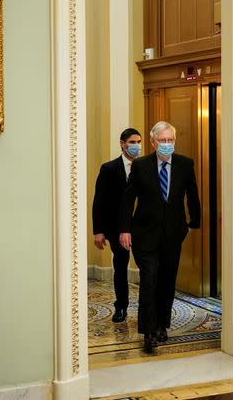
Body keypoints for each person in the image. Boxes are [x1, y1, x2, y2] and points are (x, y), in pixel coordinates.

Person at [119, 121, 200, 354]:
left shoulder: (185, 164)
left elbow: (192, 196)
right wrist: (124, 229)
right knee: (149, 281)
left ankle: (162, 325)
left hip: (172, 235)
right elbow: (127, 199)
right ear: (153, 142)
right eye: (162, 141)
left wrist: (194, 223)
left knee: (166, 282)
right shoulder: (141, 165)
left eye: (170, 140)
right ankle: (148, 331)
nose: (166, 145)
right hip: (144, 235)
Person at [91, 128, 143, 323]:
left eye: (139, 142)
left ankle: (146, 309)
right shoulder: (109, 169)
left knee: (146, 268)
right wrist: (99, 231)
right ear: (122, 144)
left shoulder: (146, 166)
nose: (137, 146)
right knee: (120, 267)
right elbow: (99, 201)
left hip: (141, 227)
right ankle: (121, 306)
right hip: (115, 228)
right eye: (132, 142)